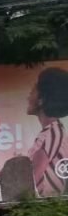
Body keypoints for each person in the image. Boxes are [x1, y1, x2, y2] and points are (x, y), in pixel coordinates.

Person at [25, 66, 68, 197]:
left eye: (33, 90)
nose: (28, 97)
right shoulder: (54, 131)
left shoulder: (51, 134)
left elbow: (31, 181)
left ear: (41, 99)